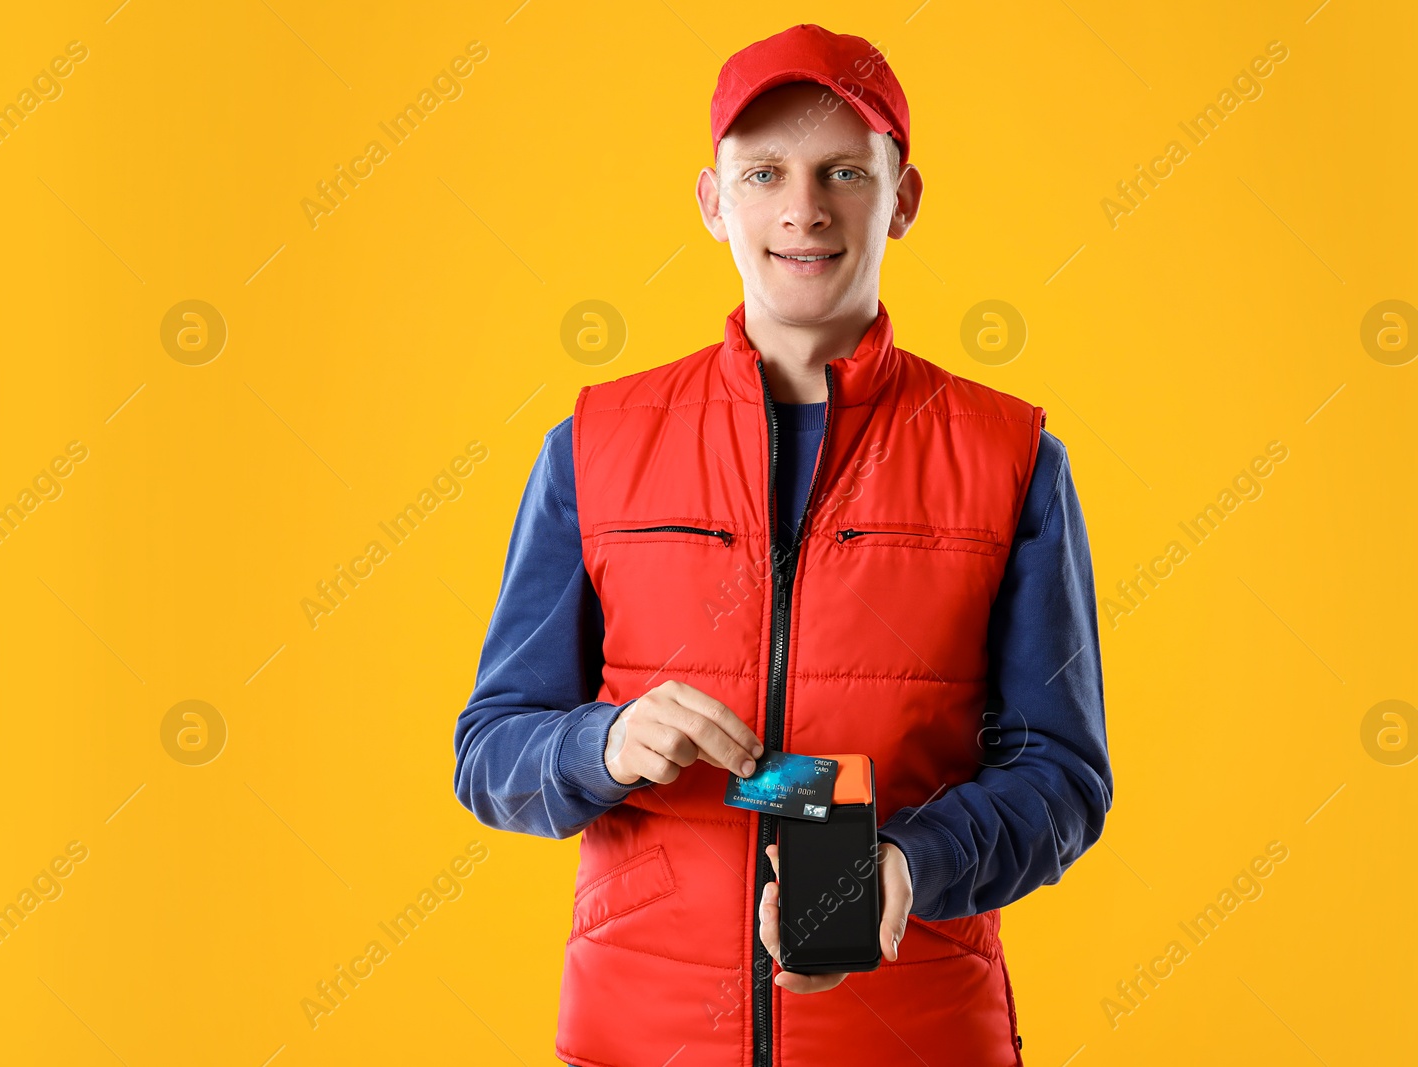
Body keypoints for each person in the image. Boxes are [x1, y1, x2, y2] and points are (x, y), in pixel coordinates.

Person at [453, 23, 1111, 1067]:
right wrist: (601, 745)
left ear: (902, 197)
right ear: (714, 203)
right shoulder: (595, 444)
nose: (803, 207)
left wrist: (910, 861)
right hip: (640, 1038)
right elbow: (489, 751)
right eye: (763, 173)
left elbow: (1063, 776)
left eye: (844, 170)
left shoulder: (1011, 456)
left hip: (916, 1036)